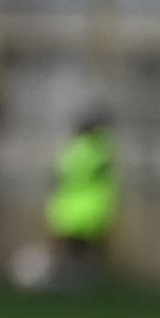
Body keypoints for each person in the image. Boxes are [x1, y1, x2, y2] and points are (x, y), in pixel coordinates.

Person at [33, 110, 119, 291]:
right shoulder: (98, 150)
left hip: (68, 206)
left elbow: (56, 176)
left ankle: (66, 279)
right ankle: (84, 281)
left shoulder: (70, 150)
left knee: (70, 247)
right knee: (90, 248)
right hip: (91, 206)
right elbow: (103, 172)